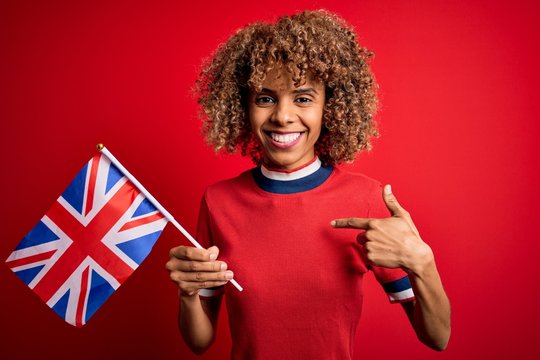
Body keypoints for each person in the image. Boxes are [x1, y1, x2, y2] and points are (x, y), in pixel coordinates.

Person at [166, 9, 450, 359]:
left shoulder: (366, 200)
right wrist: (187, 294)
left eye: (303, 98)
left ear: (329, 108)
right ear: (244, 107)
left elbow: (437, 337)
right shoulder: (218, 201)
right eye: (265, 98)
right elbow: (199, 342)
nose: (283, 116)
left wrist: (422, 262)